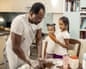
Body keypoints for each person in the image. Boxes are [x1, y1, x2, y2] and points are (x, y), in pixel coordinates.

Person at [5, 2, 45, 69]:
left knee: (26, 66)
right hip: (13, 52)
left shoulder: (38, 21)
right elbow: (15, 47)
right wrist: (29, 61)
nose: (40, 20)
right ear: (31, 13)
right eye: (38, 18)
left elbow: (39, 39)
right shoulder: (19, 21)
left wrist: (39, 56)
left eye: (42, 18)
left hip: (25, 50)